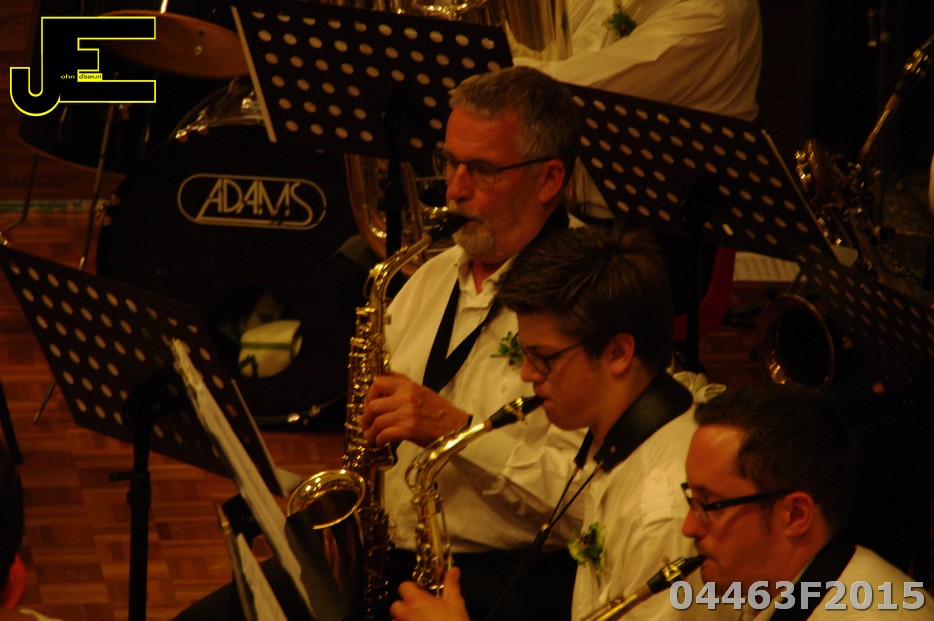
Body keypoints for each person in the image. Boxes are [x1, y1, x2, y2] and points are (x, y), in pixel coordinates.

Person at [391, 224, 720, 621]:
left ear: (618, 352)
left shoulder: (662, 513)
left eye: (544, 358)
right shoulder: (616, 445)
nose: (527, 373)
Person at [359, 65, 588, 620]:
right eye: (449, 162)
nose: (455, 190)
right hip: (391, 559)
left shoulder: (590, 296)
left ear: (549, 180)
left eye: (483, 170)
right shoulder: (429, 276)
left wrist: (455, 431)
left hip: (507, 580)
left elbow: (585, 501)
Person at [682, 383, 933, 619]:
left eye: (711, 505)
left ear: (795, 515)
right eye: (692, 500)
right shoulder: (764, 593)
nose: (688, 527)